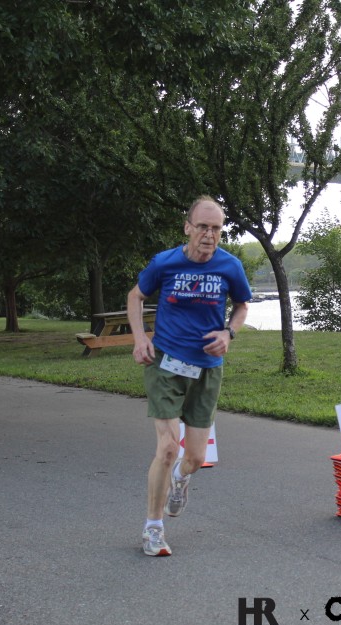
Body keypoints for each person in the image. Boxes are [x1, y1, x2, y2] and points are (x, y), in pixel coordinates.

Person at [127, 196, 252, 555]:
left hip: (207, 369)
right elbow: (135, 296)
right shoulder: (165, 262)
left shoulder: (230, 266)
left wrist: (229, 333)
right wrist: (140, 338)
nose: (209, 235)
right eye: (202, 227)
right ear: (188, 228)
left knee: (194, 458)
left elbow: (242, 305)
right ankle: (153, 529)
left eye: (216, 229)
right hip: (165, 363)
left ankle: (181, 479)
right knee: (168, 448)